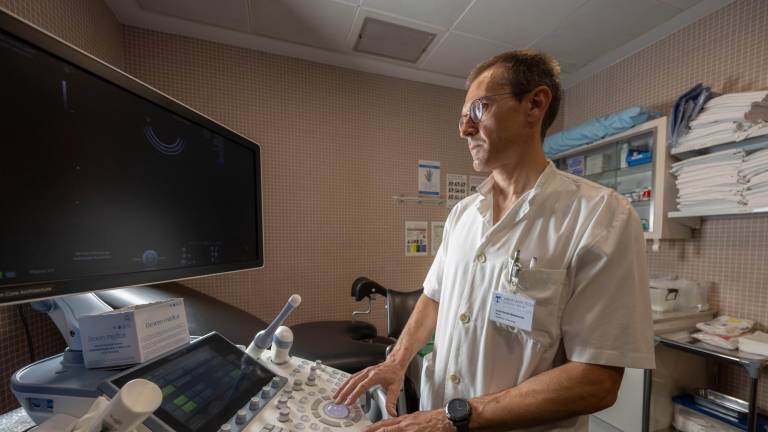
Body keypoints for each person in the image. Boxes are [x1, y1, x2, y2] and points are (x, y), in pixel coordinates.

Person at [334, 50, 655, 432]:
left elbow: (597, 382)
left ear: (535, 103)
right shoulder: (463, 215)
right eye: (461, 118)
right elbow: (434, 295)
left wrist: (452, 418)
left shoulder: (600, 215)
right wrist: (396, 361)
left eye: (477, 110)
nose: (463, 130)